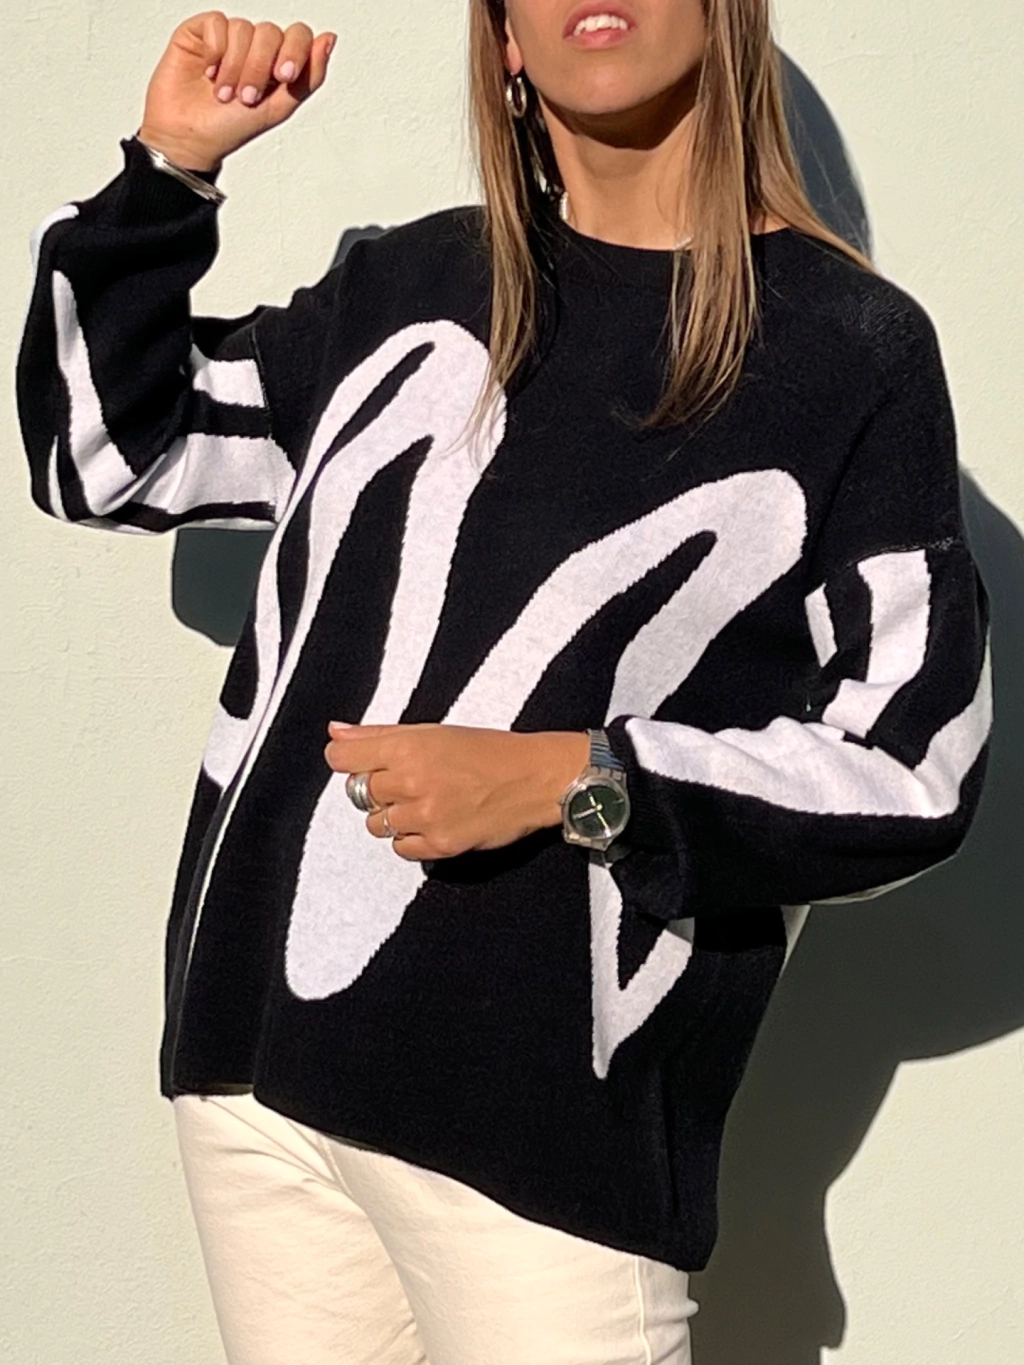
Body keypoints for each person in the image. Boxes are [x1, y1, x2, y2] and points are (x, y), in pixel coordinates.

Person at [16, 3, 991, 1362]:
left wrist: (578, 781)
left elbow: (913, 771)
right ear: (507, 38)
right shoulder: (407, 288)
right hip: (263, 1084)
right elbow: (106, 455)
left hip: (543, 1136)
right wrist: (169, 173)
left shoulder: (848, 350)